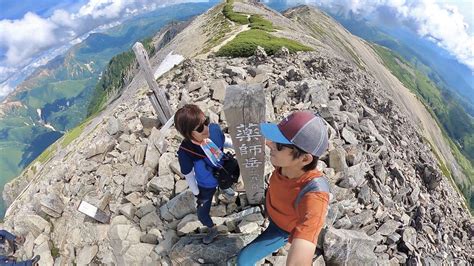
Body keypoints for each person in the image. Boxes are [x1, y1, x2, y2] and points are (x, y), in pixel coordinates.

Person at [236, 111, 331, 265]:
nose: (271, 144)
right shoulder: (284, 162)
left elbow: (301, 256)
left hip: (281, 230)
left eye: (279, 145)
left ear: (305, 158)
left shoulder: (315, 195)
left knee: (243, 261)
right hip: (273, 212)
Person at [175, 104, 237, 244]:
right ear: (187, 133)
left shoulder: (213, 130)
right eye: (200, 128)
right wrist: (197, 193)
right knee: (202, 213)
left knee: (226, 180)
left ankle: (225, 187)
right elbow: (189, 175)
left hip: (223, 173)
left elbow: (224, 141)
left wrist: (239, 146)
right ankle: (211, 228)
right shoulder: (186, 152)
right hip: (206, 186)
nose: (206, 128)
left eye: (206, 122)